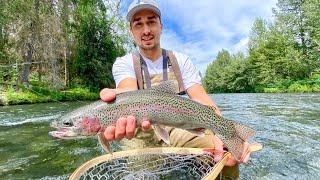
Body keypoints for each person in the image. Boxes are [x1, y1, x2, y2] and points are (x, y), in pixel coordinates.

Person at [100, 0, 255, 178]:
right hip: (139, 132)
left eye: (151, 21)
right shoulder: (124, 63)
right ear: (131, 31)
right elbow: (127, 91)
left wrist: (224, 132)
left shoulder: (181, 61)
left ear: (161, 26)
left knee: (225, 156)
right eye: (138, 24)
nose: (146, 30)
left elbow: (204, 102)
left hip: (176, 126)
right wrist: (117, 99)